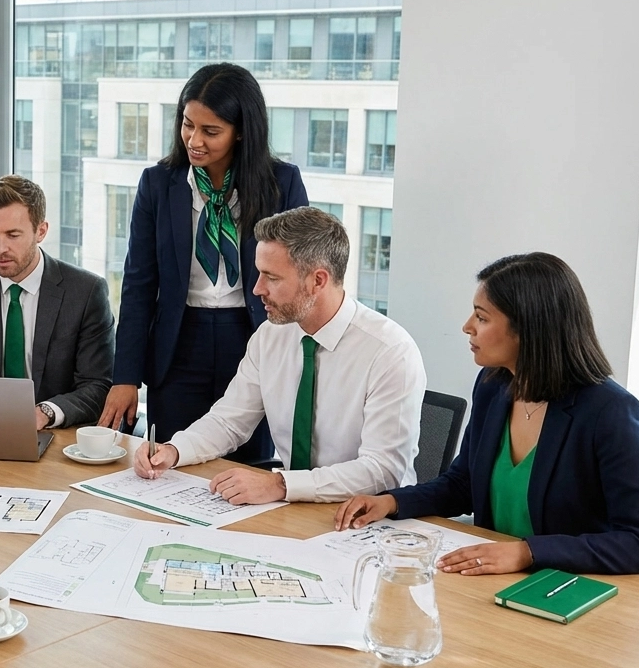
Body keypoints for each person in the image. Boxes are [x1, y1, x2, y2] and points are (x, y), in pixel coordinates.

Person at [335, 253, 639, 576]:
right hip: (492, 582)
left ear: (528, 329)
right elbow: (463, 484)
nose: (467, 327)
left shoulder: (609, 412)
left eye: (482, 317)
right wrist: (393, 502)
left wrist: (528, 551)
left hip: (565, 591)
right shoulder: (494, 385)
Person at [134, 207, 426, 505]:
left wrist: (281, 485)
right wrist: (174, 450)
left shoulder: (390, 352)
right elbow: (229, 421)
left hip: (370, 519)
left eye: (271, 277)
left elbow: (383, 470)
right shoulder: (270, 336)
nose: (257, 289)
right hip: (294, 509)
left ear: (318, 280)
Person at [100, 63, 309, 453]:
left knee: (248, 471)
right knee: (170, 464)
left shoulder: (282, 184)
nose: (194, 140)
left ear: (242, 131)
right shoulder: (159, 184)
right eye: (187, 124)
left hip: (253, 337)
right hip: (178, 347)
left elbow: (298, 276)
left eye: (210, 131)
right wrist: (124, 376)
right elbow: (139, 285)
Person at [0, 175, 115, 429]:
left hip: (58, 435)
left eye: (12, 235)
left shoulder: (85, 291)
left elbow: (97, 385)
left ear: (41, 231)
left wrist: (45, 412)